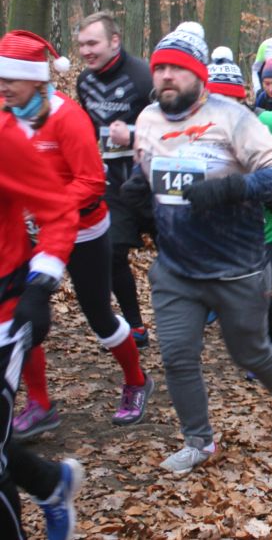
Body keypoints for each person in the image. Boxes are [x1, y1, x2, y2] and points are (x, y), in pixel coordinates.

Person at [129, 22, 272, 473]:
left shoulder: (234, 118)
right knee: (176, 356)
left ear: (198, 75)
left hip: (236, 266)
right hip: (176, 267)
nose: (165, 76)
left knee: (249, 352)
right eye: (159, 68)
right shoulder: (147, 119)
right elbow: (149, 173)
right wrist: (135, 193)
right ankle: (199, 441)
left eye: (176, 68)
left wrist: (229, 189)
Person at [0, 30, 151, 437]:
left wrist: (44, 203)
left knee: (99, 316)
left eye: (10, 80)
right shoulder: (4, 117)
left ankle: (136, 380)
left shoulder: (67, 117)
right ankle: (39, 403)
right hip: (28, 237)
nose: (3, 88)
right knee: (21, 316)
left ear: (36, 79)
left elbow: (92, 181)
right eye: (0, 80)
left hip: (83, 230)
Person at [0, 108, 86, 540]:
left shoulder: (4, 136)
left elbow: (60, 209)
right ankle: (50, 484)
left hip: (3, 315)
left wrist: (40, 286)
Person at [207, 48, 272, 374]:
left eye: (227, 100)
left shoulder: (268, 122)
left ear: (242, 97)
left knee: (257, 290)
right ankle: (264, 345)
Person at [75, 11, 153, 349]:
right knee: (113, 252)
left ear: (114, 41)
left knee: (178, 253)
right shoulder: (84, 82)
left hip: (152, 179)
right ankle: (135, 325)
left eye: (93, 43)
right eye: (81, 45)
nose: (86, 51)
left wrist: (133, 135)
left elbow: (172, 123)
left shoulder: (144, 76)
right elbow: (88, 130)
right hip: (113, 180)